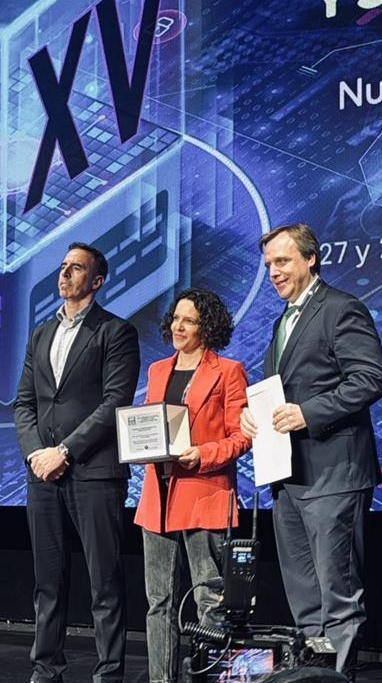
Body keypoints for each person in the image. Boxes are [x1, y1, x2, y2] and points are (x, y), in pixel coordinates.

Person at [239, 224, 382, 681]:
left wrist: (308, 413)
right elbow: (282, 392)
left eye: (282, 261)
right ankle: (314, 675)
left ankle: (338, 677)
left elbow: (371, 378)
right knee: (305, 596)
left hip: (333, 474)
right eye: (269, 264)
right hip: (289, 476)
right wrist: (251, 417)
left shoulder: (341, 309)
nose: (273, 272)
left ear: (310, 259)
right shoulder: (282, 321)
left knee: (337, 594)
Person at [14, 242, 141, 683]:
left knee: (105, 582)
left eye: (76, 268)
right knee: (48, 580)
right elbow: (24, 403)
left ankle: (108, 674)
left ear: (97, 280)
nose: (65, 273)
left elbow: (114, 403)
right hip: (42, 475)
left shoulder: (116, 332)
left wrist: (64, 451)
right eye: (63, 266)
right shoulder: (41, 334)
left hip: (94, 473)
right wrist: (36, 453)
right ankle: (46, 669)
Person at [134, 288, 251, 683]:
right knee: (159, 603)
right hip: (158, 498)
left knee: (209, 599)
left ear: (207, 327)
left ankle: (209, 678)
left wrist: (202, 454)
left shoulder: (229, 371)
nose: (178, 327)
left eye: (189, 320)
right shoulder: (157, 370)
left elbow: (241, 437)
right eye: (175, 318)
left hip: (204, 493)